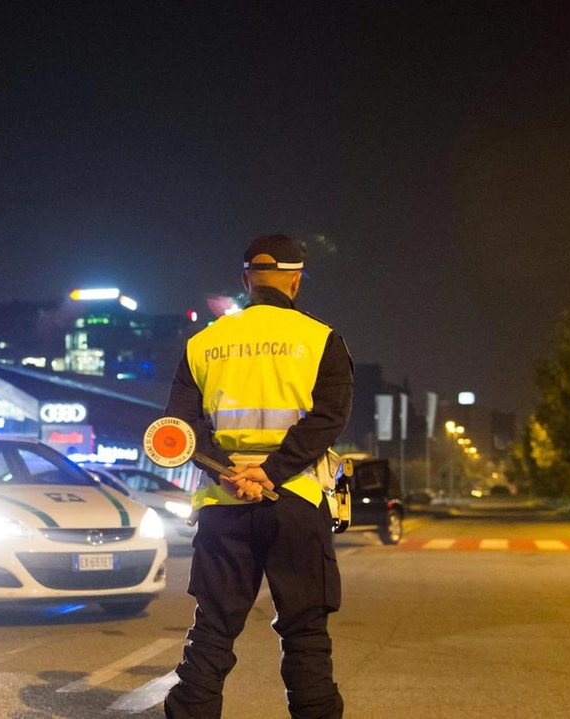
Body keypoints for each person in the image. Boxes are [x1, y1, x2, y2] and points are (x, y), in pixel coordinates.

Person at [163, 234, 354, 719]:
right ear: (295, 280)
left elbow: (180, 430)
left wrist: (229, 472)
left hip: (225, 507)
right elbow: (328, 419)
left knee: (212, 632)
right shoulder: (321, 339)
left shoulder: (203, 343)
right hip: (296, 503)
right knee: (305, 634)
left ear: (245, 280)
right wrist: (270, 472)